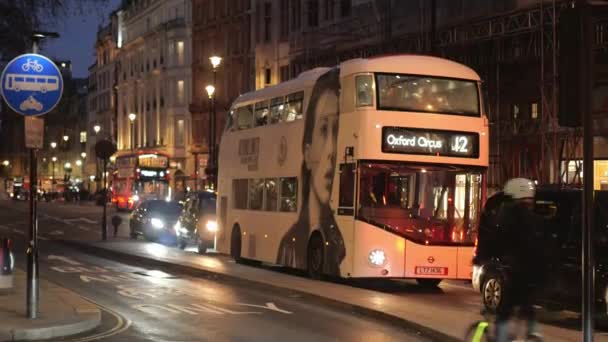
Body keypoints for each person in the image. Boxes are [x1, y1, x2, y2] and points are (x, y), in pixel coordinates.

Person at [276, 68, 345, 277]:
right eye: (324, 130)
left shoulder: (340, 241)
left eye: (337, 130)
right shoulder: (289, 244)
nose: (332, 151)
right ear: (307, 152)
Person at [494, 178, 545, 341]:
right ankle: (535, 335)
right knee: (528, 309)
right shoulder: (536, 218)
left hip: (515, 273)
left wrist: (485, 259)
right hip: (535, 274)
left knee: (504, 312)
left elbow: (497, 242)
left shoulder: (507, 215)